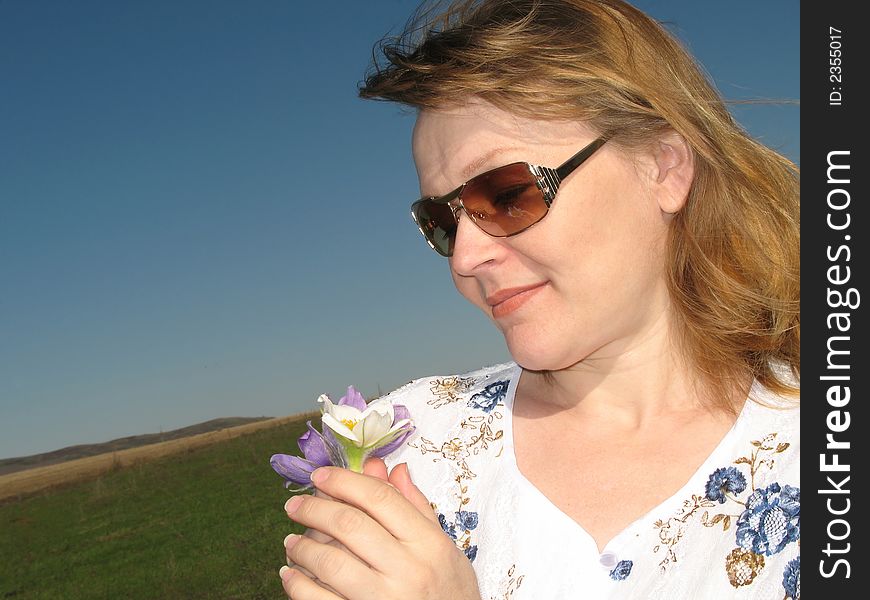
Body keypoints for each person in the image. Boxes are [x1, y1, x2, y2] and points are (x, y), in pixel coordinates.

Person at [277, 0, 800, 598]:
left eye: (506, 194)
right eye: (442, 223)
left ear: (664, 166)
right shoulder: (408, 444)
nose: (465, 258)